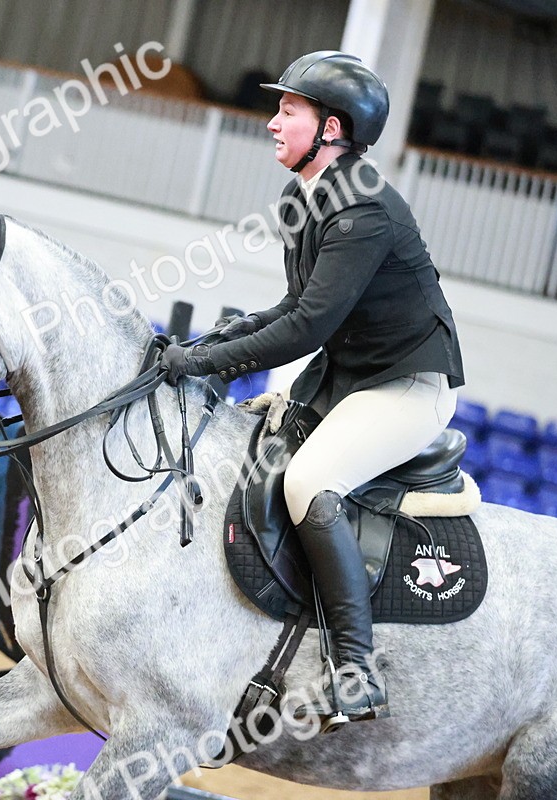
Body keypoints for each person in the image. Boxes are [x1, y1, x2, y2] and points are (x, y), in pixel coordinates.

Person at [163, 51, 465, 728]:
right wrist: (205, 349)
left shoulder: (365, 213)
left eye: (288, 112)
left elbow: (306, 327)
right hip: (347, 379)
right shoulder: (303, 196)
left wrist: (208, 365)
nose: (273, 123)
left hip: (406, 387)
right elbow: (292, 304)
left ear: (332, 128)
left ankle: (356, 670)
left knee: (308, 484)